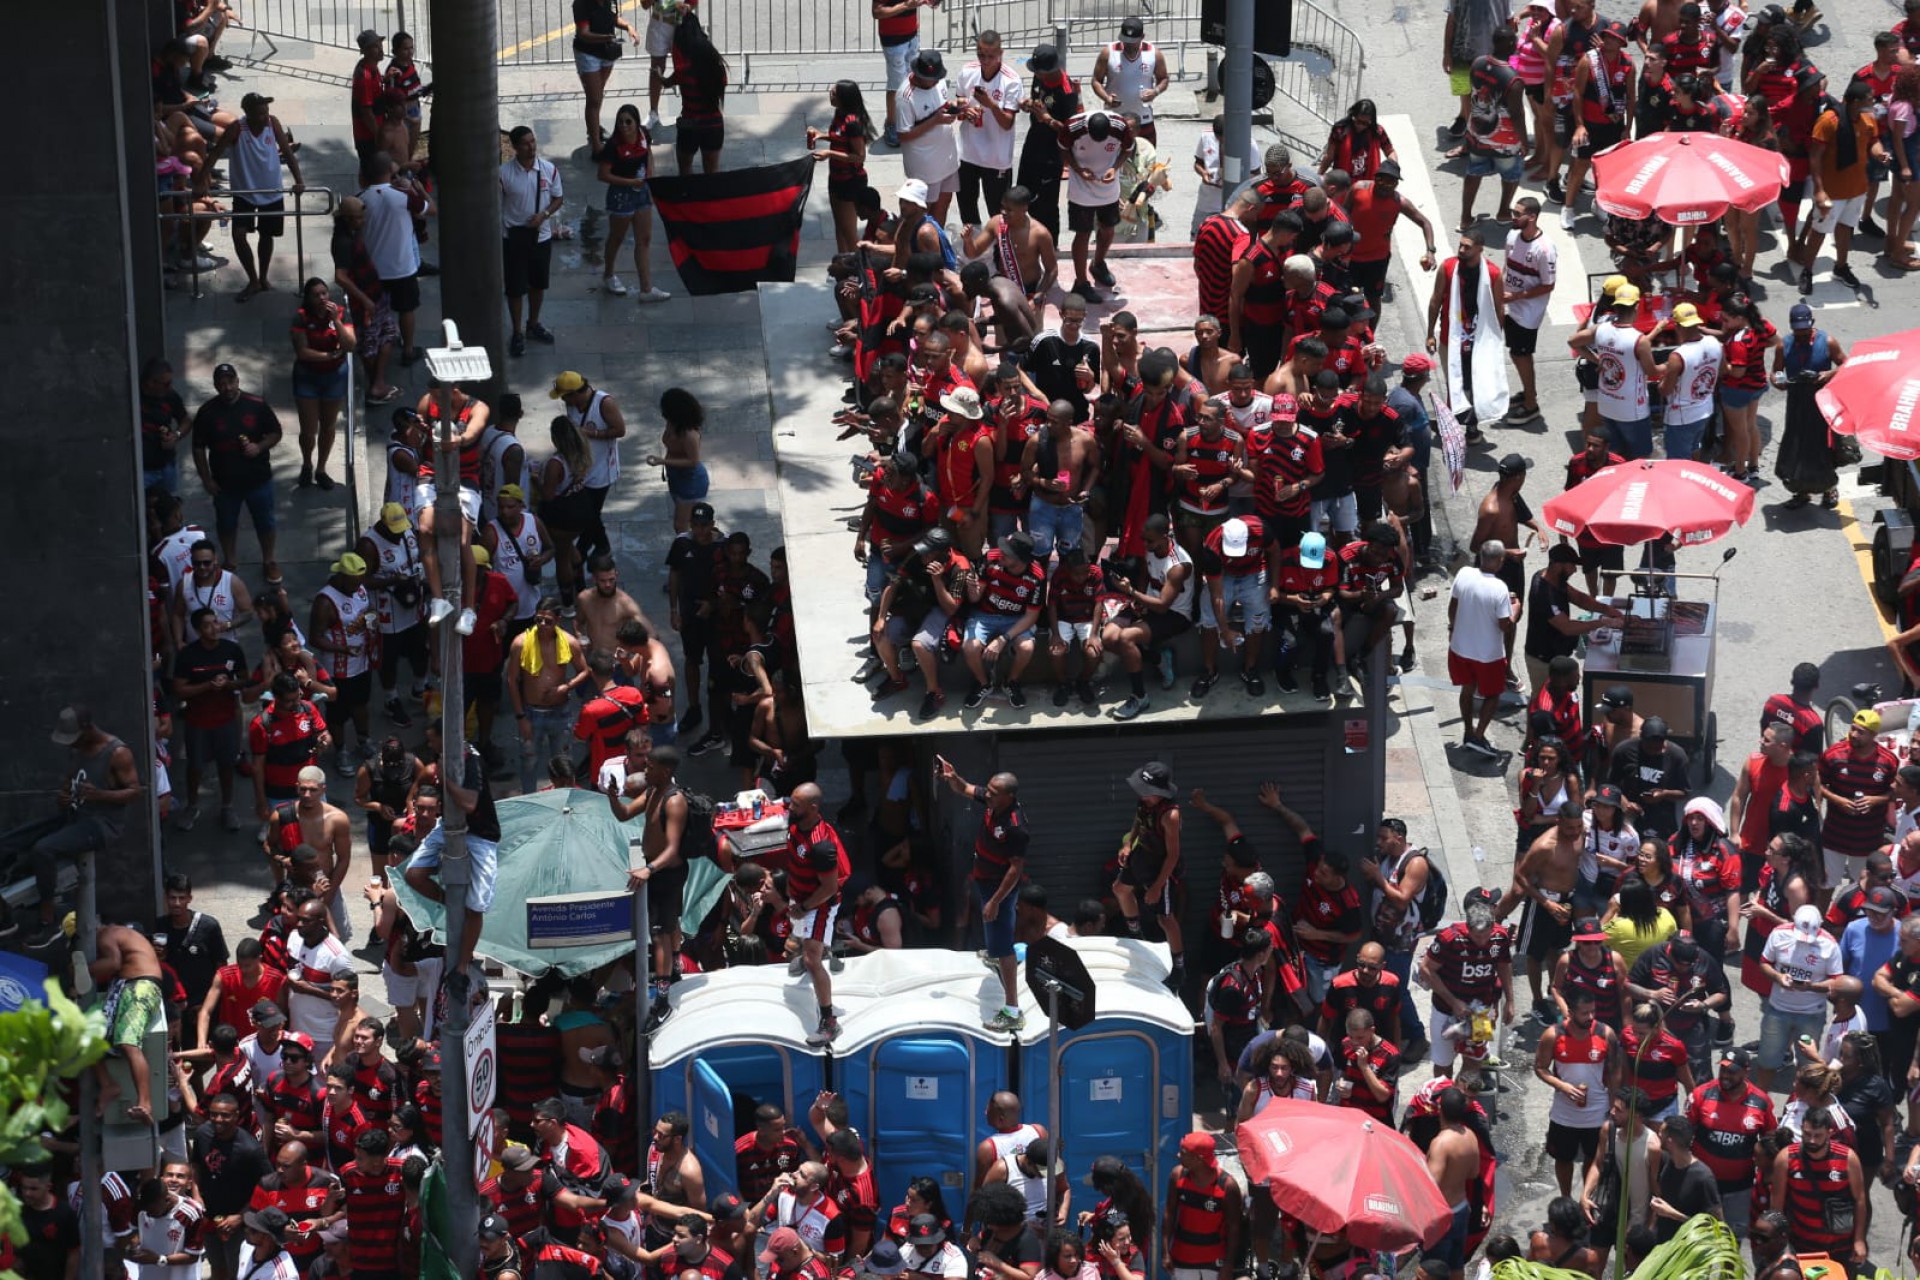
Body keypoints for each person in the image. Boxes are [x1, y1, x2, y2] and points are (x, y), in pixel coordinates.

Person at [936, 760, 1030, 1031]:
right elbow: (963, 787)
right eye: (987, 789)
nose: (986, 794)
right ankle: (996, 953)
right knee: (995, 936)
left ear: (1008, 796)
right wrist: (952, 776)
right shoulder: (992, 803)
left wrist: (995, 901)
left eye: (992, 791)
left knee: (1002, 941)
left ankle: (1012, 1010)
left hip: (998, 887)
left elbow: (1015, 869)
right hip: (984, 880)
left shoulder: (1015, 826)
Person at [206, 93, 305, 303]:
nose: (265, 116)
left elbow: (287, 152)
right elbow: (214, 154)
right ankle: (252, 279)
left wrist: (299, 179)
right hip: (245, 192)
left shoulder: (273, 123)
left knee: (266, 235)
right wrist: (199, 181)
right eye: (260, 113)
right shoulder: (236, 129)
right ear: (248, 113)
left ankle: (263, 277)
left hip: (271, 191)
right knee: (239, 234)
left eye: (266, 111)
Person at [192, 364, 284, 577]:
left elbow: (275, 432)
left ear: (238, 381)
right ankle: (230, 561)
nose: (227, 387)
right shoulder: (207, 412)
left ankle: (269, 560)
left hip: (258, 480)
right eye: (222, 384)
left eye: (230, 382)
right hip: (224, 484)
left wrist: (259, 447)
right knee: (226, 523)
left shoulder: (256, 405)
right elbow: (198, 447)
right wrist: (206, 479)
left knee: (265, 521)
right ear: (216, 386)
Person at [1801, 77, 1887, 293]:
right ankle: (1807, 270)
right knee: (1819, 231)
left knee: (1846, 228)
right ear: (1855, 101)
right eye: (1868, 99)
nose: (1872, 101)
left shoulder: (1868, 119)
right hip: (1832, 192)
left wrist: (1879, 153)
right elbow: (1815, 157)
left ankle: (1841, 267)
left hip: (1856, 189)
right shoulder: (1829, 121)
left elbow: (1873, 141)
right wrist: (1819, 191)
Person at [1425, 228, 1509, 437]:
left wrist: (1495, 340)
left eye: (1467, 247)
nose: (1461, 250)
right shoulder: (1448, 267)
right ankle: (1450, 423)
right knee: (1454, 381)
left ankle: (1470, 425)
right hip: (1450, 338)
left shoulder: (1493, 274)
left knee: (1476, 382)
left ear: (1480, 249)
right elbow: (1436, 301)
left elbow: (1499, 308)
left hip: (1479, 340)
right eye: (1460, 245)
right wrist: (1430, 333)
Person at [1422, 896, 1517, 1074]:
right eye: (1476, 936)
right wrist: (1453, 1002)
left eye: (1485, 935)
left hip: (1480, 1011)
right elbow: (1426, 970)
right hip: (1445, 1009)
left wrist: (1510, 1001)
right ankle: (1445, 1098)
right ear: (1468, 927)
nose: (1481, 941)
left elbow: (1504, 965)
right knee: (1444, 1062)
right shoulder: (1449, 938)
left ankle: (1464, 1098)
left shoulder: (1500, 937)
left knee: (1475, 1060)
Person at [1758, 904, 1845, 1091]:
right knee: (1767, 1060)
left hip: (1811, 1014)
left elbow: (1837, 981)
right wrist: (1778, 977)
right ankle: (1760, 1103)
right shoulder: (1779, 934)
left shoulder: (1829, 945)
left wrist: (1811, 986)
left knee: (1807, 1067)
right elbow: (1765, 962)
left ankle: (1801, 1105)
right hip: (1778, 1009)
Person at [356, 152, 431, 366]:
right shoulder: (404, 197)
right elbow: (430, 209)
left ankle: (378, 346)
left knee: (377, 311)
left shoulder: (361, 199)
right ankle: (408, 349)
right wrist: (417, 189)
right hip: (402, 267)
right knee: (406, 309)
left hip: (374, 269)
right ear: (390, 171)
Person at [1771, 302, 1847, 508]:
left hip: (1822, 404)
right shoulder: (1783, 345)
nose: (1801, 335)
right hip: (1797, 404)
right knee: (1797, 448)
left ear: (1812, 324)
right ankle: (1801, 491)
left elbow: (1845, 364)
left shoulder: (1828, 342)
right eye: (1797, 332)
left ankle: (1830, 489)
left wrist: (1827, 374)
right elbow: (1776, 371)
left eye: (1805, 331)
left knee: (1824, 447)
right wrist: (1778, 381)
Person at [1771, 1108, 1867, 1267]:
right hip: (1801, 1245)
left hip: (1840, 1247)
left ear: (1829, 1133)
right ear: (1801, 1128)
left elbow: (1860, 1201)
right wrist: (1780, 1243)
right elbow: (1776, 1205)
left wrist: (1859, 1240)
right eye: (1807, 1134)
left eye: (1818, 1135)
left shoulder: (1848, 1158)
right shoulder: (1786, 1158)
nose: (1812, 1141)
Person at [596, 104, 671, 302]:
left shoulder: (644, 134)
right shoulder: (613, 146)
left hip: (642, 192)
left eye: (628, 121)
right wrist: (631, 182)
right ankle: (609, 274)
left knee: (644, 239)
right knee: (616, 238)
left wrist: (650, 176)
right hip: (622, 196)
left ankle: (646, 288)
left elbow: (649, 155)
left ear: (637, 122)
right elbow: (603, 175)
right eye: (620, 122)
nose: (624, 126)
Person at [1448, 541, 1517, 757]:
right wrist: (1516, 608)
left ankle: (1468, 732)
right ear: (1499, 561)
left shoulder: (1464, 573)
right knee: (1494, 694)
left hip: (1460, 648)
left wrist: (1453, 629)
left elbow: (1453, 607)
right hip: (1488, 655)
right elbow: (1505, 625)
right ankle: (1478, 736)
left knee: (1467, 690)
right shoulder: (1499, 588)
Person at [1818, 708, 1899, 891]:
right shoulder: (1833, 755)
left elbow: (1895, 793)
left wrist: (1875, 801)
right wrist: (1838, 800)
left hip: (1867, 840)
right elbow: (1817, 785)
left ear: (1874, 735)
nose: (1853, 734)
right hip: (1834, 836)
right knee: (1826, 885)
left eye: (1860, 732)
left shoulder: (1888, 761)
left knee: (1862, 888)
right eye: (1852, 728)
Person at [1017, 45, 1082, 238]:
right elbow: (1037, 99)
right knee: (1023, 193)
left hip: (1052, 152)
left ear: (1052, 70)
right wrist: (1028, 105)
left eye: (1040, 72)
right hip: (1033, 142)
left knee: (1046, 205)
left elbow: (1071, 131)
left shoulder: (1067, 91)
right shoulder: (1039, 76)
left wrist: (1048, 119)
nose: (1038, 76)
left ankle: (1049, 245)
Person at [665, 13, 728, 173]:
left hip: (689, 124)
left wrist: (657, 75)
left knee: (685, 171)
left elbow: (667, 83)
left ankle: (689, 197)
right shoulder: (717, 69)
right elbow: (722, 84)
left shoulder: (683, 71)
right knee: (712, 173)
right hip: (713, 124)